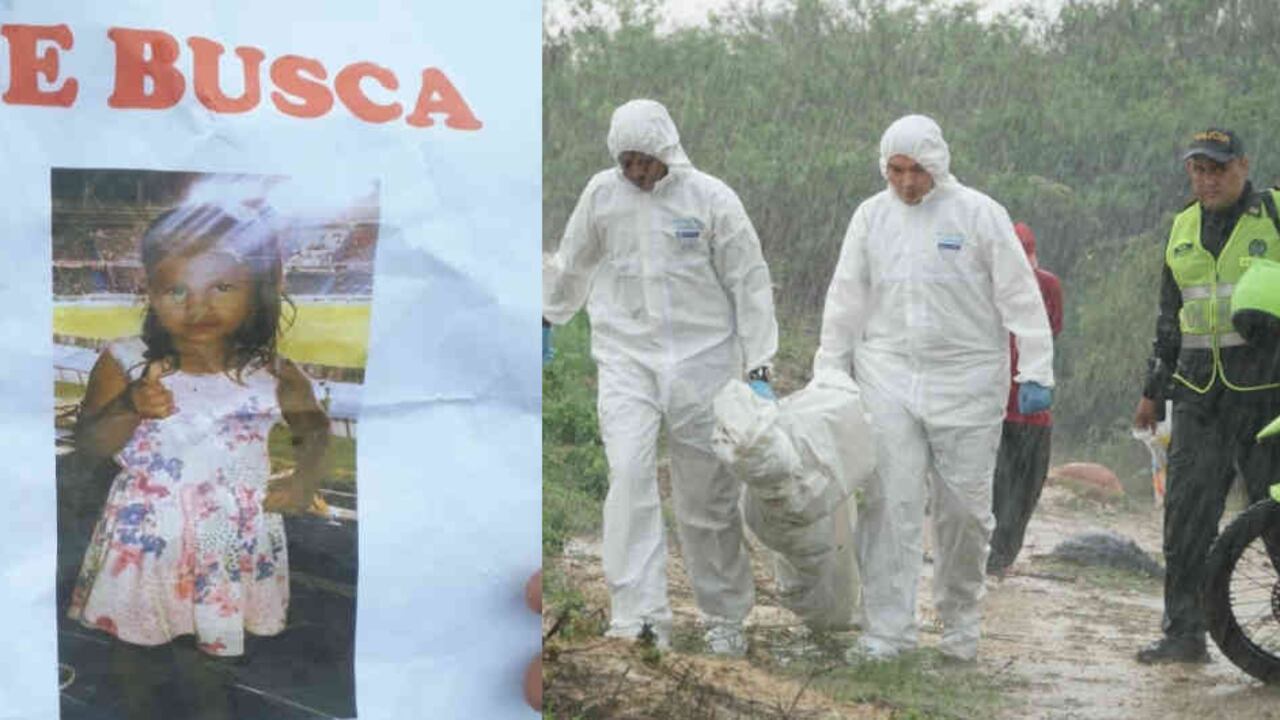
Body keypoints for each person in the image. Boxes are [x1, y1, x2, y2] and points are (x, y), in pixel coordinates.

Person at [67, 200, 330, 718]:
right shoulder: (125, 362)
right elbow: (89, 444)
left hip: (225, 536)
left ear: (255, 291)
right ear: (152, 293)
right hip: (144, 534)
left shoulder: (274, 374)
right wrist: (129, 407)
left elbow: (316, 431)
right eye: (176, 290)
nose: (198, 305)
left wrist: (303, 483)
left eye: (221, 288)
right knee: (134, 651)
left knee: (211, 655)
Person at [542, 98, 779, 656]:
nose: (635, 172)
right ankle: (639, 617)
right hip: (628, 359)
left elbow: (749, 280)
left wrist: (760, 363)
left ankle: (724, 617)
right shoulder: (602, 196)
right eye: (626, 162)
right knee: (628, 477)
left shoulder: (712, 199)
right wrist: (546, 315)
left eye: (644, 161)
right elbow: (572, 262)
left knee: (707, 497)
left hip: (705, 362)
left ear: (667, 152)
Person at [813, 114, 1054, 663]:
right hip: (887, 373)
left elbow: (1021, 295)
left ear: (938, 165)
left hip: (968, 378)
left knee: (964, 512)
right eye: (894, 170)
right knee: (889, 505)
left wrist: (1036, 369)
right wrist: (831, 367)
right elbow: (846, 297)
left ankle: (960, 625)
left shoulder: (978, 215)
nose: (905, 182)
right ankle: (888, 631)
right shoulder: (870, 218)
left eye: (915, 170)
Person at [1132, 128, 1280, 664]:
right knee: (1187, 517)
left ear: (1243, 166)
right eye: (1198, 169)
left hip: (1268, 398)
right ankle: (1183, 633)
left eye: (1217, 168)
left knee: (1274, 515)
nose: (1207, 179)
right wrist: (1152, 392)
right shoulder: (1181, 228)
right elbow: (1168, 320)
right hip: (1198, 397)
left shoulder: (1275, 216)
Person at [987, 222, 1064, 575]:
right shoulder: (1044, 284)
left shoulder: (1042, 284)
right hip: (1006, 409)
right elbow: (1053, 332)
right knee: (1014, 491)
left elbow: (1050, 333)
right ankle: (996, 560)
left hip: (1019, 409)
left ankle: (996, 561)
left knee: (1011, 490)